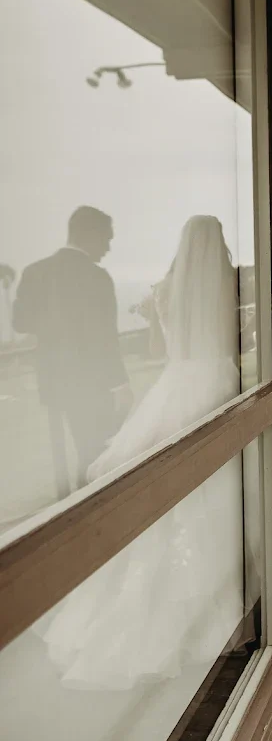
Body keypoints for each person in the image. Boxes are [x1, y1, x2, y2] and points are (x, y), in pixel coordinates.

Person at [35, 215, 255, 689]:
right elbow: (240, 344)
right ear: (217, 245)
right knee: (219, 488)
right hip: (217, 383)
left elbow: (158, 347)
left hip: (175, 386)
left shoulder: (163, 289)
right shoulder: (227, 285)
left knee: (174, 490)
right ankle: (211, 601)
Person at [12, 207, 130, 495]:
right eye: (106, 239)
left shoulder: (34, 271)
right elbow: (106, 337)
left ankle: (76, 500)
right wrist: (121, 385)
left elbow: (19, 322)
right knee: (98, 453)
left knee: (76, 451)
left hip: (53, 381)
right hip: (92, 385)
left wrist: (54, 326)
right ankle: (92, 509)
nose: (108, 248)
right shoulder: (96, 277)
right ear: (88, 235)